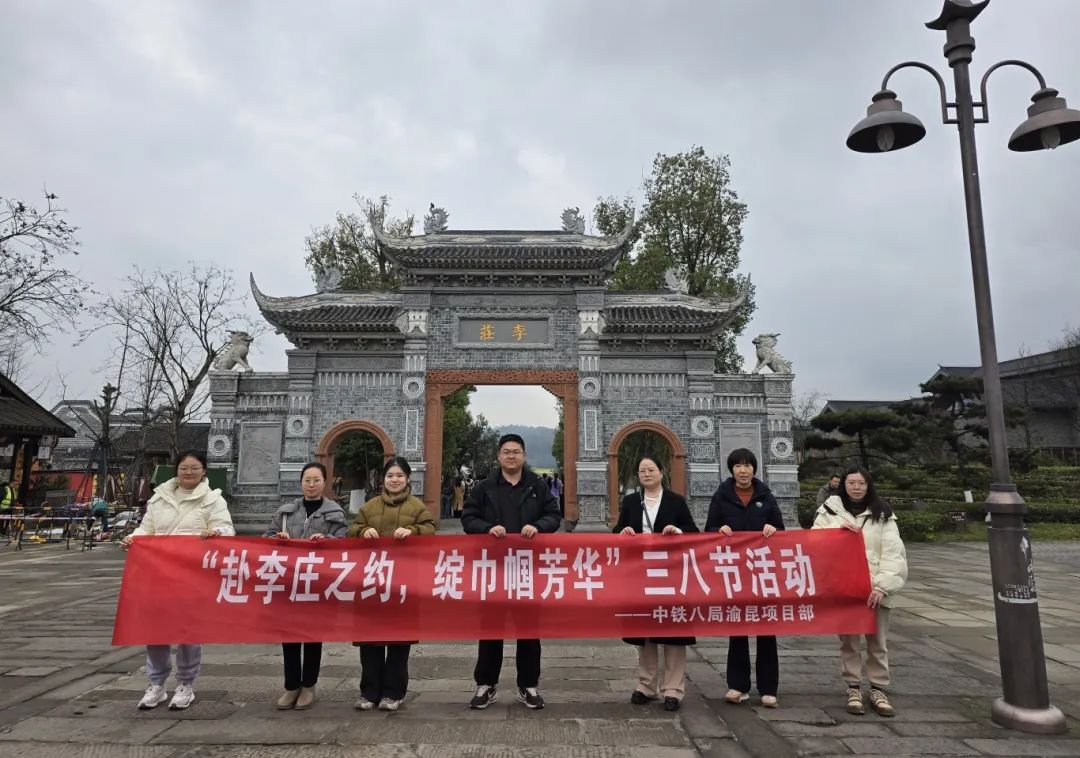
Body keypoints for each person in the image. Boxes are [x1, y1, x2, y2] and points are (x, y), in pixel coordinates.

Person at [120, 450, 234, 711]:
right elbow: (146, 529)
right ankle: (156, 684)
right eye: (184, 468)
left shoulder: (213, 500)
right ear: (177, 470)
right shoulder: (159, 498)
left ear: (203, 471)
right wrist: (133, 539)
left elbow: (227, 529)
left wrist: (216, 532)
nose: (188, 472)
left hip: (192, 575)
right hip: (158, 573)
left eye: (194, 468)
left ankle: (185, 684)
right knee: (155, 630)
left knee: (189, 631)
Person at [461, 433, 561, 710]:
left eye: (516, 452)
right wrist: (486, 529)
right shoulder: (484, 487)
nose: (511, 456)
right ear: (499, 456)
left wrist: (538, 526)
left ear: (524, 456)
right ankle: (486, 685)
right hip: (493, 569)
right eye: (506, 452)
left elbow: (554, 515)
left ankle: (528, 685)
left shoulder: (538, 485)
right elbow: (468, 518)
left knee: (528, 629)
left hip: (528, 569)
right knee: (490, 628)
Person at [812, 466, 907, 717]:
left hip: (875, 589)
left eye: (861, 483)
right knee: (849, 642)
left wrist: (882, 587)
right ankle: (853, 687)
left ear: (868, 485)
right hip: (845, 588)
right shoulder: (829, 510)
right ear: (843, 485)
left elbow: (894, 553)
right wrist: (838, 532)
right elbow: (815, 541)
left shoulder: (882, 513)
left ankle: (878, 688)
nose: (856, 487)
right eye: (851, 483)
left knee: (878, 642)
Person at [348, 456, 437, 711]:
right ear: (383, 479)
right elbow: (352, 530)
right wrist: (362, 531)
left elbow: (431, 529)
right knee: (370, 641)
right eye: (390, 476)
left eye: (399, 476)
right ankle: (369, 692)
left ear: (408, 479)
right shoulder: (370, 506)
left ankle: (393, 692)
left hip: (403, 584)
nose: (394, 480)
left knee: (399, 641)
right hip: (372, 582)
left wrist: (414, 531)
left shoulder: (417, 507)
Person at [613, 455, 699, 711]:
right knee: (645, 630)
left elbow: (693, 531)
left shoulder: (676, 501)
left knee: (673, 632)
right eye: (642, 471)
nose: (646, 474)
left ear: (661, 472)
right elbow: (617, 531)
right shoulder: (631, 501)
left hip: (670, 575)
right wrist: (623, 532)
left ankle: (673, 689)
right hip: (640, 575)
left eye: (651, 469)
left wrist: (678, 531)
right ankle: (646, 685)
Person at [705, 447, 785, 709]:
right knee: (737, 629)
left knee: (766, 629)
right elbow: (709, 529)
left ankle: (769, 688)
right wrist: (719, 530)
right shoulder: (721, 496)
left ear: (754, 469)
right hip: (735, 573)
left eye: (747, 465)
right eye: (738, 466)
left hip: (762, 572)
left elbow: (781, 530)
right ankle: (738, 686)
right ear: (731, 469)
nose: (743, 470)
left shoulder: (766, 496)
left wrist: (773, 529)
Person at [266, 462, 348, 711]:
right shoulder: (286, 512)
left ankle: (309, 685)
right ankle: (291, 686)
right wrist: (278, 539)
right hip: (289, 583)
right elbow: (267, 538)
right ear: (301, 483)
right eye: (307, 480)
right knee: (289, 636)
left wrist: (327, 540)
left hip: (317, 584)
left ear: (325, 482)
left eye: (316, 480)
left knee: (313, 636)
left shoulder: (335, 513)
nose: (311, 485)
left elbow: (344, 542)